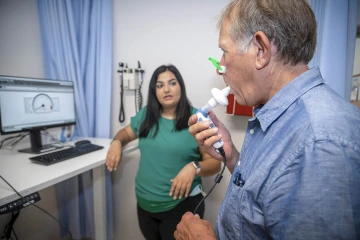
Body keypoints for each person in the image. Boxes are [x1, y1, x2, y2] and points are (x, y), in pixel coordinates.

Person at [174, 0, 360, 239]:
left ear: (260, 50)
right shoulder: (279, 116)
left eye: (224, 51)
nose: (220, 66)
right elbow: (266, 195)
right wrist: (230, 157)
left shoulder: (320, 144)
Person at [105, 64, 221, 240]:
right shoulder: (146, 116)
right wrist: (116, 142)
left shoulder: (197, 119)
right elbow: (125, 134)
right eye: (160, 85)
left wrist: (193, 167)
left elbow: (215, 163)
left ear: (180, 86)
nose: (166, 89)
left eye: (172, 83)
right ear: (154, 91)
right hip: (144, 205)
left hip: (180, 207)